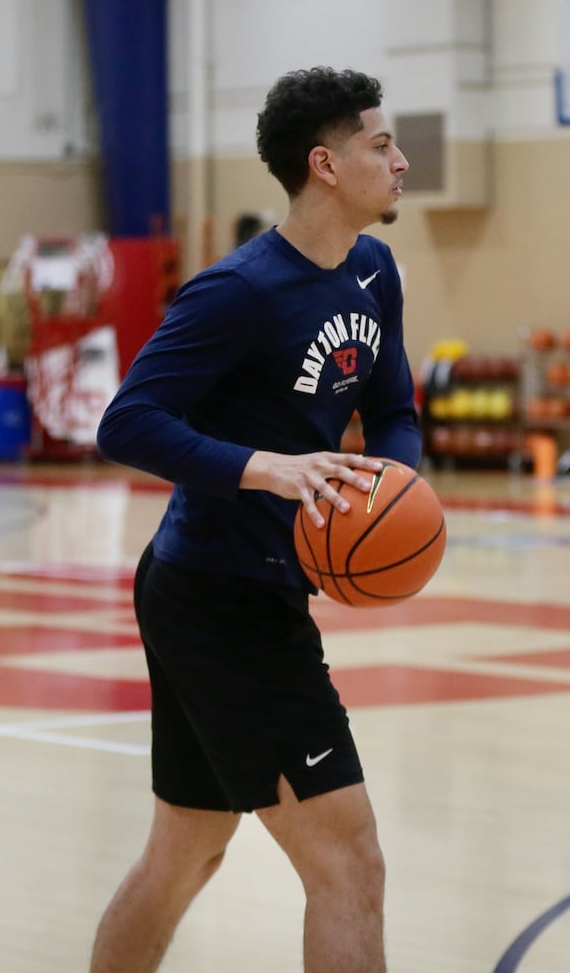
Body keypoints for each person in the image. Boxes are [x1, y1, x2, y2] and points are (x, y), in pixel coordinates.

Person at [90, 66, 415, 973]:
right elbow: (128, 421)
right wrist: (258, 468)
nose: (400, 160)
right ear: (325, 163)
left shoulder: (372, 270)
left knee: (185, 849)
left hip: (248, 590)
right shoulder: (237, 291)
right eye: (380, 143)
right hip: (217, 596)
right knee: (349, 860)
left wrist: (390, 494)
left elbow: (392, 410)